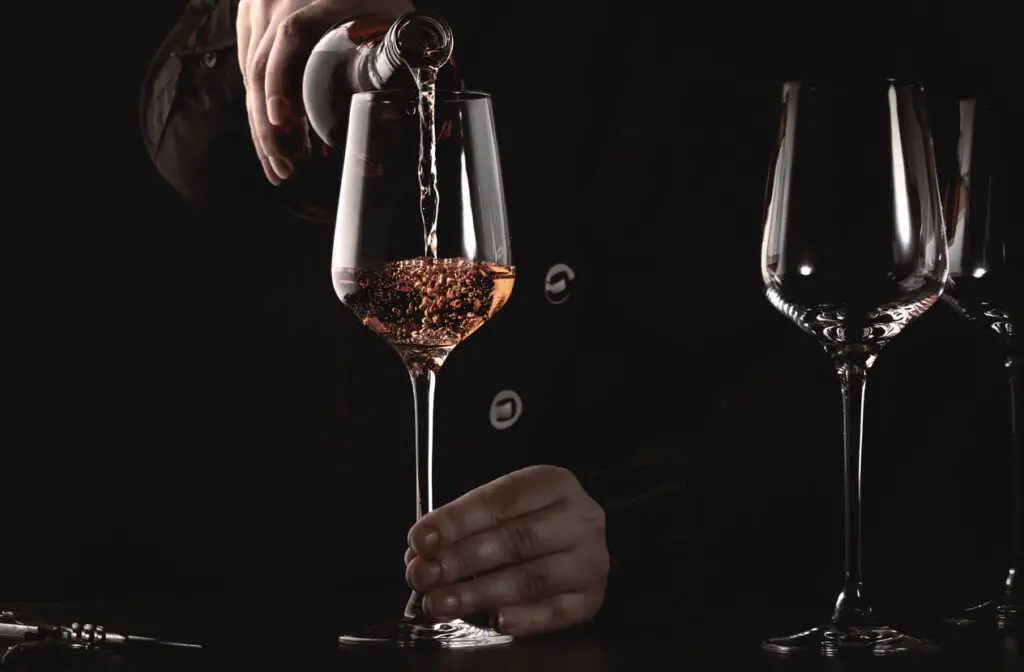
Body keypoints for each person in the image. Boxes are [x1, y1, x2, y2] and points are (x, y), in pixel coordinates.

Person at [139, 0, 1008, 638]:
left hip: (712, 621)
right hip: (310, 598)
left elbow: (941, 337)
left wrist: (643, 523)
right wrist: (249, 18)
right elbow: (190, 153)